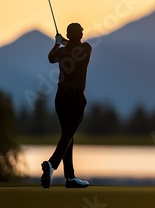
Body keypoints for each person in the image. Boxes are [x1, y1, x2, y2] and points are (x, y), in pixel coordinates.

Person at [41, 23, 92, 188]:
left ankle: (70, 178)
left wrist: (57, 42)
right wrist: (63, 41)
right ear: (80, 35)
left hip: (60, 96)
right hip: (76, 97)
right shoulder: (86, 49)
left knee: (67, 135)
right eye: (82, 31)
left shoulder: (61, 52)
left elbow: (50, 57)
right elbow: (75, 47)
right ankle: (51, 164)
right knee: (68, 135)